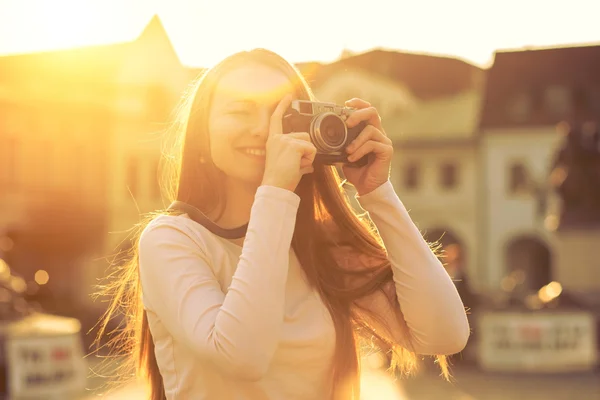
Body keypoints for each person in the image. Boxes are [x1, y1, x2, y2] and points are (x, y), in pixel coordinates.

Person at [96, 48, 469, 400]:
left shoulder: (321, 245)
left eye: (280, 113)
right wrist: (275, 190)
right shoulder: (172, 239)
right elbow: (242, 356)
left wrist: (379, 195)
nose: (262, 129)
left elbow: (445, 334)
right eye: (240, 111)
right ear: (201, 133)